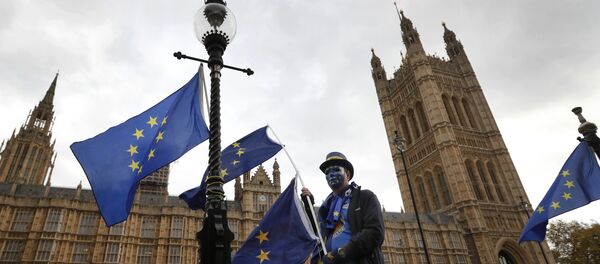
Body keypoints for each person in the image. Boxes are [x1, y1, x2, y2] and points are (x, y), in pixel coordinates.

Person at [302, 151, 385, 264]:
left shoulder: (364, 197)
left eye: (336, 170)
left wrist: (340, 253)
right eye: (327, 172)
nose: (331, 174)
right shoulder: (327, 208)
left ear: (347, 174)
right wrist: (309, 206)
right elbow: (317, 235)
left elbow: (375, 233)